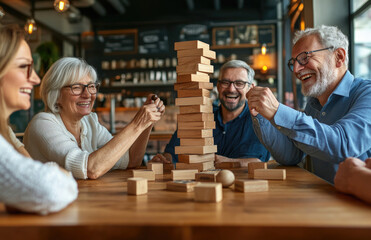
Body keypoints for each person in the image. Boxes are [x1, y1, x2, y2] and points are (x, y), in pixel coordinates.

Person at [247, 25, 371, 184]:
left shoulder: (366, 93)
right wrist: (262, 115)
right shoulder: (313, 103)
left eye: (305, 58)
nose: (297, 69)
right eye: (294, 62)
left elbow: (344, 145)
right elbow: (292, 156)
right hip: (324, 201)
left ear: (338, 57)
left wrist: (277, 111)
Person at [24, 57, 165, 180]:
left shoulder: (89, 122)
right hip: (47, 207)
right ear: (56, 94)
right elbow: (91, 169)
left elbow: (131, 160)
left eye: (91, 86)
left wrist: (148, 122)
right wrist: (137, 124)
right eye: (77, 87)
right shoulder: (43, 124)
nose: (87, 94)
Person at [0, 24, 77, 215]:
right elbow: (48, 191)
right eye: (24, 66)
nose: (35, 79)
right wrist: (59, 173)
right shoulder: (43, 121)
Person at [151, 60, 270, 166]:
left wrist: (226, 162)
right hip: (200, 188)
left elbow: (257, 162)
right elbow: (173, 153)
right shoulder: (198, 117)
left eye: (239, 83)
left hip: (243, 188)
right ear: (218, 86)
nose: (231, 89)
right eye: (225, 82)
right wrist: (164, 160)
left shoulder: (259, 121)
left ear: (250, 88)